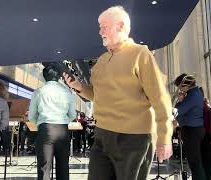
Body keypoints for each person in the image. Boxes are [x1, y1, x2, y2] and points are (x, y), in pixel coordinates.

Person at [63, 6, 173, 180]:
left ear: (120, 26)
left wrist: (164, 136)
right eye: (100, 27)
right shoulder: (101, 61)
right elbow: (97, 95)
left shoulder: (140, 54)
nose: (100, 32)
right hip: (102, 135)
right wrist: (80, 87)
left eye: (104, 27)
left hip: (134, 139)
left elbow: (160, 98)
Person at [28, 66, 76, 180]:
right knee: (63, 166)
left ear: (44, 77)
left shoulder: (38, 92)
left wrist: (40, 123)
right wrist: (63, 121)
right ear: (58, 77)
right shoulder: (67, 91)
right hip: (63, 130)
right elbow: (73, 115)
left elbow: (31, 116)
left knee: (44, 167)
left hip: (45, 129)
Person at [174, 73, 206, 180]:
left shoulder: (193, 95)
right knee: (195, 161)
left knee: (195, 162)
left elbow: (178, 111)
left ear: (185, 85)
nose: (180, 89)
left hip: (192, 130)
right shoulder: (195, 93)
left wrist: (179, 101)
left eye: (180, 86)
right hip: (193, 129)